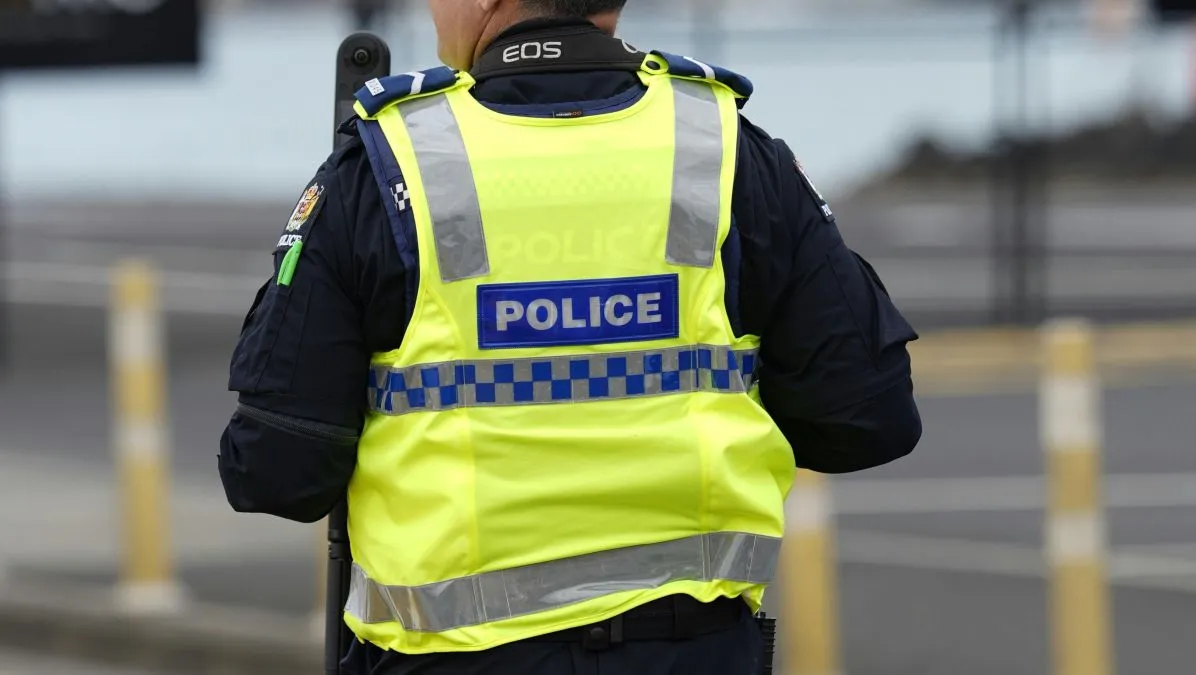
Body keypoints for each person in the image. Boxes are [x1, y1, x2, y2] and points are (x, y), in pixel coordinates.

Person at [218, 1, 923, 673]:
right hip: (694, 652)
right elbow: (866, 419)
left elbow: (278, 469)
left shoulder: (385, 164)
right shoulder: (723, 145)